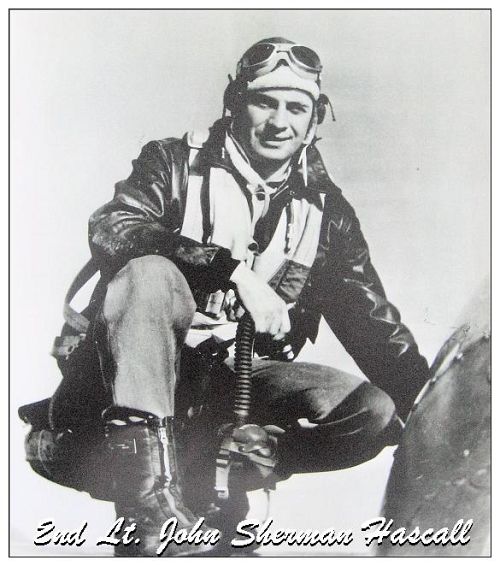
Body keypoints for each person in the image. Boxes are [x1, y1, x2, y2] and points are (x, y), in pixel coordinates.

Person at [48, 37, 430, 557]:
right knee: (149, 272)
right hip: (124, 384)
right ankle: (147, 500)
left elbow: (372, 322)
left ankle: (233, 463)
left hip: (230, 388)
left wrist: (437, 407)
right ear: (235, 105)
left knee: (372, 411)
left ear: (314, 121)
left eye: (296, 108)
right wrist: (232, 272)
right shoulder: (172, 163)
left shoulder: (327, 214)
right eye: (264, 103)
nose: (279, 122)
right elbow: (115, 226)